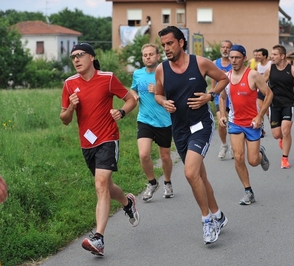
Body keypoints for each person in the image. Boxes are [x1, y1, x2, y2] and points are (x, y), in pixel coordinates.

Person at [60, 43, 139, 256]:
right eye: (73, 56)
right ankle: (127, 202)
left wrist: (121, 113)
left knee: (101, 183)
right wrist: (70, 108)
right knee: (106, 186)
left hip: (107, 138)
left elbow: (131, 99)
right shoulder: (69, 84)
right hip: (87, 144)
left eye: (80, 55)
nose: (76, 59)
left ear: (92, 57)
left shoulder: (108, 78)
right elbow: (64, 119)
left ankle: (99, 238)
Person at [155, 26, 229, 245]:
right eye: (163, 45)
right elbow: (158, 94)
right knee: (200, 176)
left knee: (189, 173)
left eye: (169, 43)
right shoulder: (161, 69)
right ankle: (218, 214)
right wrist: (163, 102)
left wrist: (210, 96)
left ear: (181, 42)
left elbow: (224, 79)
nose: (166, 48)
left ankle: (207, 221)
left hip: (201, 126)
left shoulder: (200, 63)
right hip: (179, 130)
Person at [219, 45, 273, 205]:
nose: (233, 60)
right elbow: (221, 97)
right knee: (238, 156)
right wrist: (222, 114)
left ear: (243, 58)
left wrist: (260, 115)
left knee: (253, 161)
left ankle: (260, 154)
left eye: (236, 57)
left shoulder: (253, 75)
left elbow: (269, 94)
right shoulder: (225, 77)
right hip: (235, 122)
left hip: (252, 123)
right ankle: (248, 191)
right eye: (231, 57)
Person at [130, 43, 174, 201]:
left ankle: (167, 182)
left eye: (150, 54)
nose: (147, 57)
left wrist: (158, 91)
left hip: (164, 121)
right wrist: (134, 95)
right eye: (145, 55)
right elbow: (133, 88)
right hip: (144, 119)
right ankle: (152, 182)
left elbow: (174, 94)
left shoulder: (165, 73)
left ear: (157, 56)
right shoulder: (137, 73)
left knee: (165, 156)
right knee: (144, 154)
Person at [264, 45, 294, 169]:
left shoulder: (292, 70)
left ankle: (284, 159)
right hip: (274, 104)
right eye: (272, 54)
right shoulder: (270, 69)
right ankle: (281, 138)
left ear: (282, 56)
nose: (272, 57)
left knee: (286, 131)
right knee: (277, 134)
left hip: (288, 103)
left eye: (275, 54)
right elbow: (261, 83)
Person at [211, 40, 233, 160]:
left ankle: (234, 146)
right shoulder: (215, 63)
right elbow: (213, 80)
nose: (225, 49)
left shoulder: (234, 62)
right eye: (223, 47)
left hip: (233, 97)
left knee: (233, 124)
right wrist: (213, 92)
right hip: (220, 97)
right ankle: (224, 145)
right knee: (221, 123)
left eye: (227, 47)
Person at [256, 47, 272, 135]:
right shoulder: (258, 65)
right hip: (260, 90)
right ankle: (261, 129)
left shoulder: (270, 64)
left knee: (267, 112)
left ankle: (274, 125)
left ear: (265, 56)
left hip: (269, 90)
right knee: (260, 109)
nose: (257, 56)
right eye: (257, 55)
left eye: (259, 55)